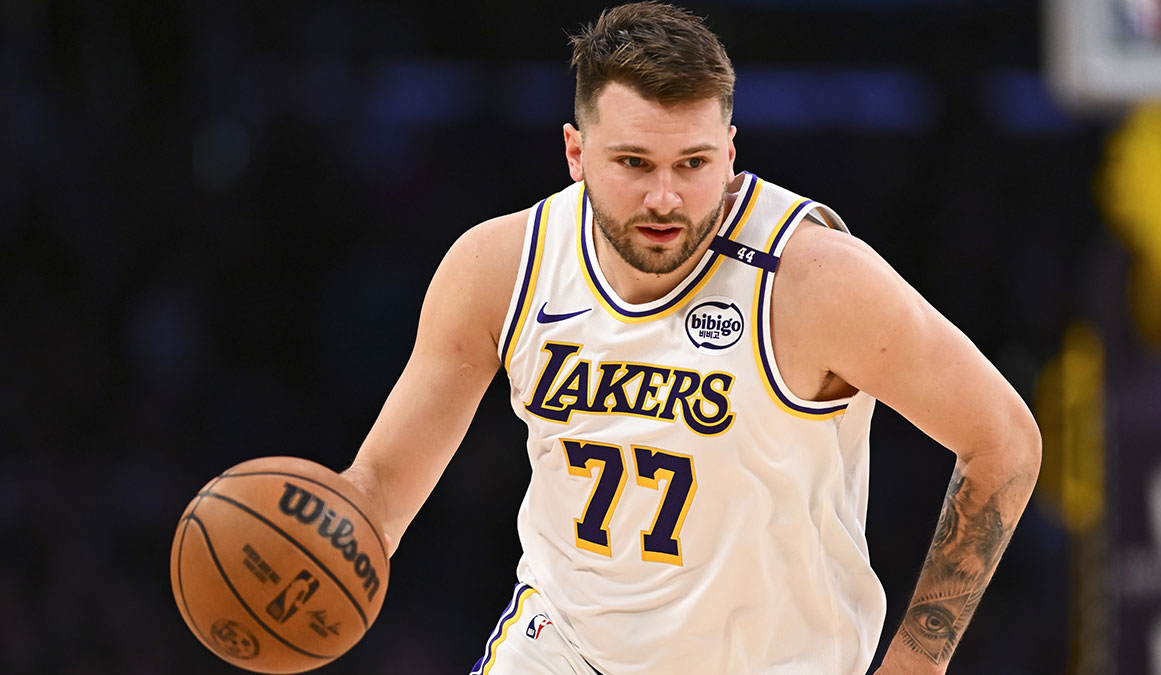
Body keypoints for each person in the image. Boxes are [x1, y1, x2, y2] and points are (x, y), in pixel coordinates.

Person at [342, 3, 1042, 673]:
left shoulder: (814, 279)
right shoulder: (500, 267)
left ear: (730, 153)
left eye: (693, 164)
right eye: (634, 163)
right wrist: (319, 546)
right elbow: (379, 489)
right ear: (576, 152)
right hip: (562, 651)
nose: (664, 198)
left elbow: (1004, 439)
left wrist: (918, 660)